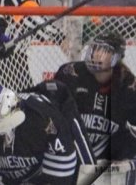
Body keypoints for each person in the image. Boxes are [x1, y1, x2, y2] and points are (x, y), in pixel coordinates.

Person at [55, 32, 136, 182]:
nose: (97, 55)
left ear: (117, 57)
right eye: (96, 48)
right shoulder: (71, 73)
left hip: (105, 153)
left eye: (105, 51)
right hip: (71, 150)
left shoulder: (128, 84)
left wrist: (126, 158)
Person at [0, 82, 79, 185]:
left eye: (3, 122)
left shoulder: (42, 119)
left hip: (42, 172)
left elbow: (63, 163)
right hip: (6, 175)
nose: (0, 129)